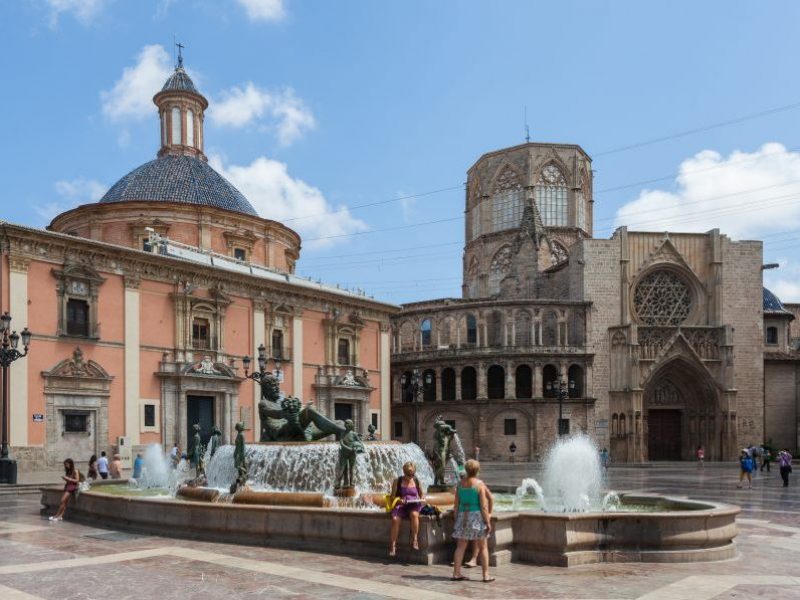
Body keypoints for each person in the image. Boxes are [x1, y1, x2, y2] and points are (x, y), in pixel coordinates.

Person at [451, 459, 494, 583]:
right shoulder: (479, 484)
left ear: (466, 470)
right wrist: (487, 521)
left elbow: (456, 505)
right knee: (483, 546)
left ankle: (456, 573)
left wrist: (456, 520)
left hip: (462, 517)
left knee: (460, 546)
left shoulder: (460, 484)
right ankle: (486, 575)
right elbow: (484, 506)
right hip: (476, 517)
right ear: (477, 470)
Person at [388, 461, 424, 557]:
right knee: (395, 519)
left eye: (412, 474)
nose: (411, 476)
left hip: (413, 504)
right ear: (404, 472)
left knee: (414, 515)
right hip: (401, 504)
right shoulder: (398, 481)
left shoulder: (416, 480)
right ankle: (393, 545)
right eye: (409, 474)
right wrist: (399, 500)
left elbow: (421, 494)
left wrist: (422, 499)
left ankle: (415, 539)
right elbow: (392, 496)